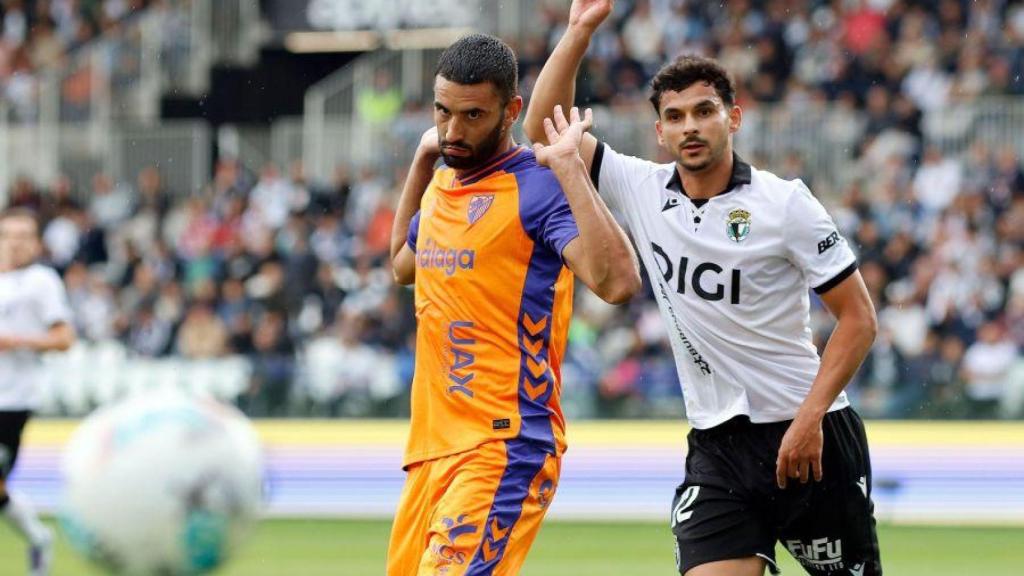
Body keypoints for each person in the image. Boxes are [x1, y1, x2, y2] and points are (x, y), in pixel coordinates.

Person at [522, 2, 882, 575]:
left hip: (808, 433)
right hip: (717, 446)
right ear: (659, 132)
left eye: (704, 111)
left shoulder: (784, 203)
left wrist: (809, 419)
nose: (690, 125)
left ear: (733, 118)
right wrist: (579, 32)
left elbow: (859, 319)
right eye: (676, 116)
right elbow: (543, 124)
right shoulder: (641, 188)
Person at [386, 33, 640, 575]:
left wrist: (571, 169)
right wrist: (419, 165)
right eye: (442, 112)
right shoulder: (442, 182)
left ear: (512, 110)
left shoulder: (539, 188)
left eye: (473, 115)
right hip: (431, 448)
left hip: (504, 444)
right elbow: (402, 266)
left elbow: (617, 282)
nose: (453, 131)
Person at [0, 208, 77, 576]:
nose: (14, 243)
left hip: (12, 400)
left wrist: (16, 341)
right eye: (7, 235)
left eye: (23, 235)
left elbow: (64, 338)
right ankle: (38, 536)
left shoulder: (40, 281)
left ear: (35, 242)